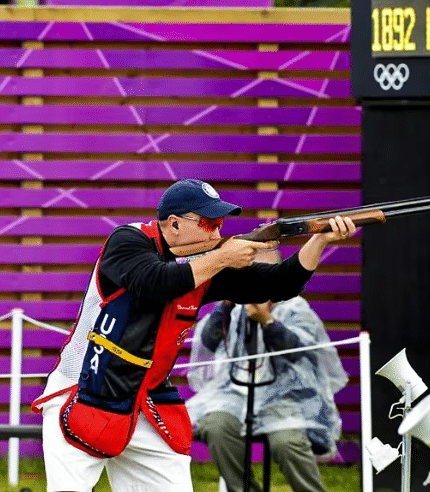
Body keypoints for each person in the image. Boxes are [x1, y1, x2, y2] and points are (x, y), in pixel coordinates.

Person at [30, 178, 355, 492]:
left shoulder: (207, 262)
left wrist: (319, 240)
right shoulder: (127, 241)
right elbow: (156, 282)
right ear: (173, 223)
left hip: (147, 400)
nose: (217, 231)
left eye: (219, 224)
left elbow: (278, 284)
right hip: (84, 391)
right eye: (207, 222)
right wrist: (222, 257)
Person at [186, 249, 348, 492]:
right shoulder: (233, 304)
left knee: (287, 442)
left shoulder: (296, 308)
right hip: (235, 393)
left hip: (287, 396)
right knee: (216, 426)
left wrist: (268, 323)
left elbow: (302, 354)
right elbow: (207, 344)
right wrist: (225, 306)